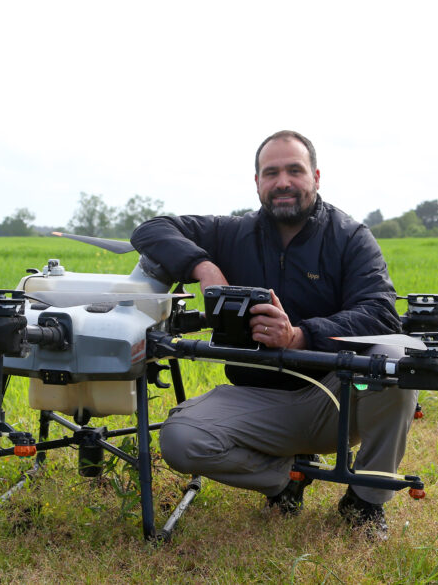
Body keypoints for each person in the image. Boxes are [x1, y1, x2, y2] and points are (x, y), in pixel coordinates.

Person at [130, 130, 417, 538]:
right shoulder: (230, 234)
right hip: (258, 399)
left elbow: (381, 314)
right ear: (257, 183)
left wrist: (300, 335)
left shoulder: (350, 237)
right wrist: (203, 267)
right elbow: (150, 229)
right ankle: (288, 480)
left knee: (397, 363)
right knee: (180, 440)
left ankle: (365, 501)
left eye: (294, 171)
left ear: (316, 177)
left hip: (333, 395)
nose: (283, 181)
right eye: (271, 172)